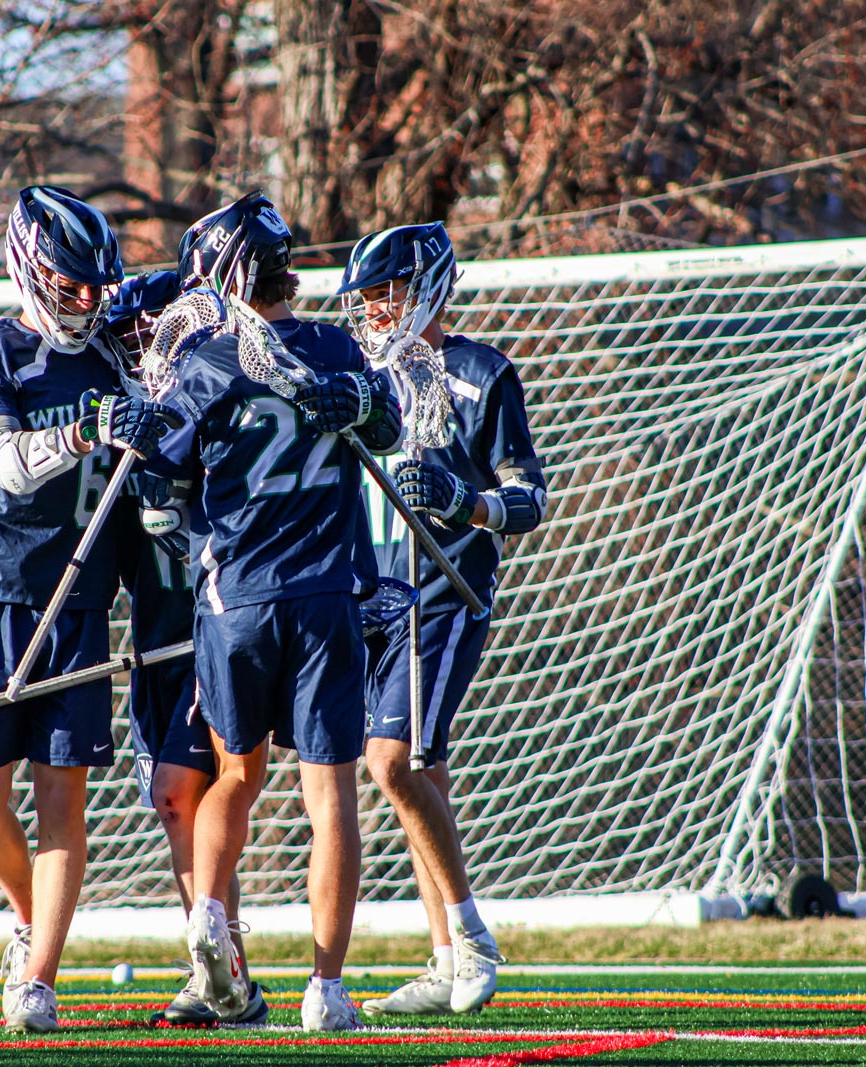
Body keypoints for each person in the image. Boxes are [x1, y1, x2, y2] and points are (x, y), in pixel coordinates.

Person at [148, 190, 402, 1032]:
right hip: (325, 595)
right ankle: (325, 988)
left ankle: (209, 913)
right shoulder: (333, 345)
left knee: (236, 776)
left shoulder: (207, 362)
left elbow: (164, 480)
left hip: (237, 600)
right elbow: (391, 423)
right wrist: (359, 402)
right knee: (328, 795)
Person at [0, 186, 178, 1034]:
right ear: (33, 270)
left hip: (78, 603)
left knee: (60, 801)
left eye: (95, 286)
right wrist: (84, 433)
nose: (87, 300)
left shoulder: (114, 352)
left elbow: (196, 300)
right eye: (71, 283)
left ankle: (38, 977)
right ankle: (29, 915)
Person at [337, 222, 547, 1016]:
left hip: (443, 589)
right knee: (417, 771)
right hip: (368, 594)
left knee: (389, 761)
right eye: (366, 296)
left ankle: (470, 934)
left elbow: (530, 495)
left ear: (425, 285)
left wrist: (469, 503)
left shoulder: (481, 372)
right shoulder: (356, 374)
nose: (373, 310)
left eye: (385, 292)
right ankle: (445, 957)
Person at [103, 271, 267, 1027]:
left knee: (187, 790)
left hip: (212, 632)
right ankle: (219, 972)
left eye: (153, 330)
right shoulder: (127, 419)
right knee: (174, 805)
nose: (144, 348)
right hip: (153, 640)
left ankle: (225, 970)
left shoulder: (209, 401)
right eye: (133, 334)